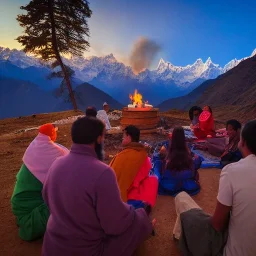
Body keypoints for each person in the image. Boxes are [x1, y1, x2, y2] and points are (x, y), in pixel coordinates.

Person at [42, 117, 153, 256]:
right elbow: (116, 224)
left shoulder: (56, 164)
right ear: (99, 139)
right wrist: (137, 215)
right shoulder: (102, 172)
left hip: (53, 245)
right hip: (86, 250)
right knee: (140, 221)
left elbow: (46, 198)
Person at [173, 120, 256, 256]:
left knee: (181, 198)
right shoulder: (189, 153)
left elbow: (217, 225)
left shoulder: (232, 171)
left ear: (243, 142)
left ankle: (180, 237)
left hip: (230, 250)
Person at [11, 123, 69, 241]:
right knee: (69, 202)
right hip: (29, 208)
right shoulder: (52, 151)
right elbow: (70, 166)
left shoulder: (34, 146)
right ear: (52, 134)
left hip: (19, 204)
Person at [110, 125, 158, 208]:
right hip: (133, 192)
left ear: (128, 137)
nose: (122, 139)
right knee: (153, 180)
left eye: (123, 136)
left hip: (119, 196)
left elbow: (112, 176)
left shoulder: (123, 156)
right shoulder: (142, 154)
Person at [155, 127, 201, 196]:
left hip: (168, 183)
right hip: (187, 182)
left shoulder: (165, 147)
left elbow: (158, 158)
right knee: (195, 161)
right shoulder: (187, 149)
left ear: (172, 136)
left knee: (157, 162)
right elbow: (197, 161)